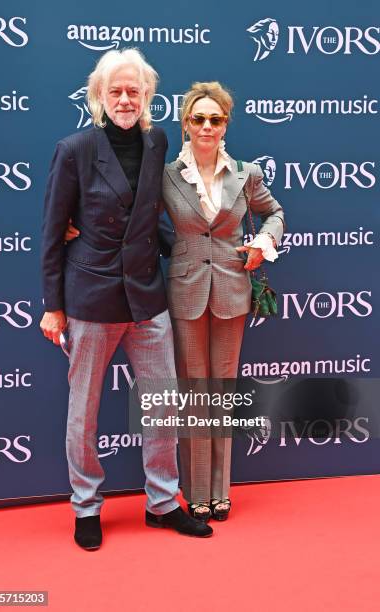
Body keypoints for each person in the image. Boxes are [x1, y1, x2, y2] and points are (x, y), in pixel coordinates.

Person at [40, 49, 212, 550]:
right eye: (115, 90)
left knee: (161, 404)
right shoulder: (72, 150)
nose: (124, 99)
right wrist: (53, 305)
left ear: (147, 97)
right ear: (98, 96)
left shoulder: (157, 141)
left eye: (133, 91)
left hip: (147, 296)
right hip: (91, 298)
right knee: (84, 410)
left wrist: (192, 250)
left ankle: (162, 503)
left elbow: (152, 213)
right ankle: (86, 506)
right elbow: (53, 232)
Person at [162, 82, 284, 522]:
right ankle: (195, 490)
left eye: (215, 119)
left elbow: (275, 212)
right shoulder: (168, 175)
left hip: (232, 291)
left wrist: (264, 242)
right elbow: (135, 218)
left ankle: (220, 489)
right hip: (186, 292)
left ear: (226, 123)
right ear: (186, 125)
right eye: (199, 119)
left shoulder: (246, 174)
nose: (207, 126)